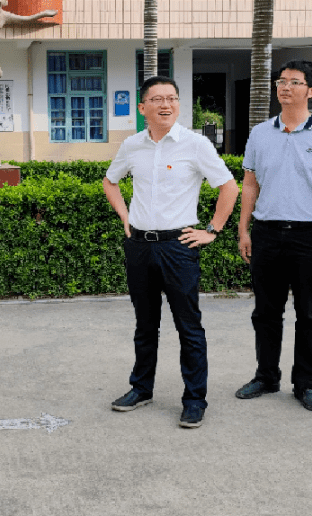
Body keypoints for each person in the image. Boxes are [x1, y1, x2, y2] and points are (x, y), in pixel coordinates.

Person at [103, 75, 240, 429]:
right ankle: (141, 388)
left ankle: (195, 399)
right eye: (158, 99)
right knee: (145, 325)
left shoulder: (195, 145)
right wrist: (124, 216)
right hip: (139, 246)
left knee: (188, 326)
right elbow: (110, 180)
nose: (166, 105)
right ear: (142, 107)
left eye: (172, 98)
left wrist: (213, 229)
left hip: (178, 246)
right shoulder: (132, 145)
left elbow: (229, 187)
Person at [234, 60, 312, 412]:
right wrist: (243, 228)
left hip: (311, 236)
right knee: (265, 313)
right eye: (281, 82)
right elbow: (250, 183)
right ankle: (266, 376)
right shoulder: (260, 133)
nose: (285, 88)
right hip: (267, 233)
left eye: (295, 83)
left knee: (310, 314)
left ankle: (306, 384)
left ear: (311, 91)